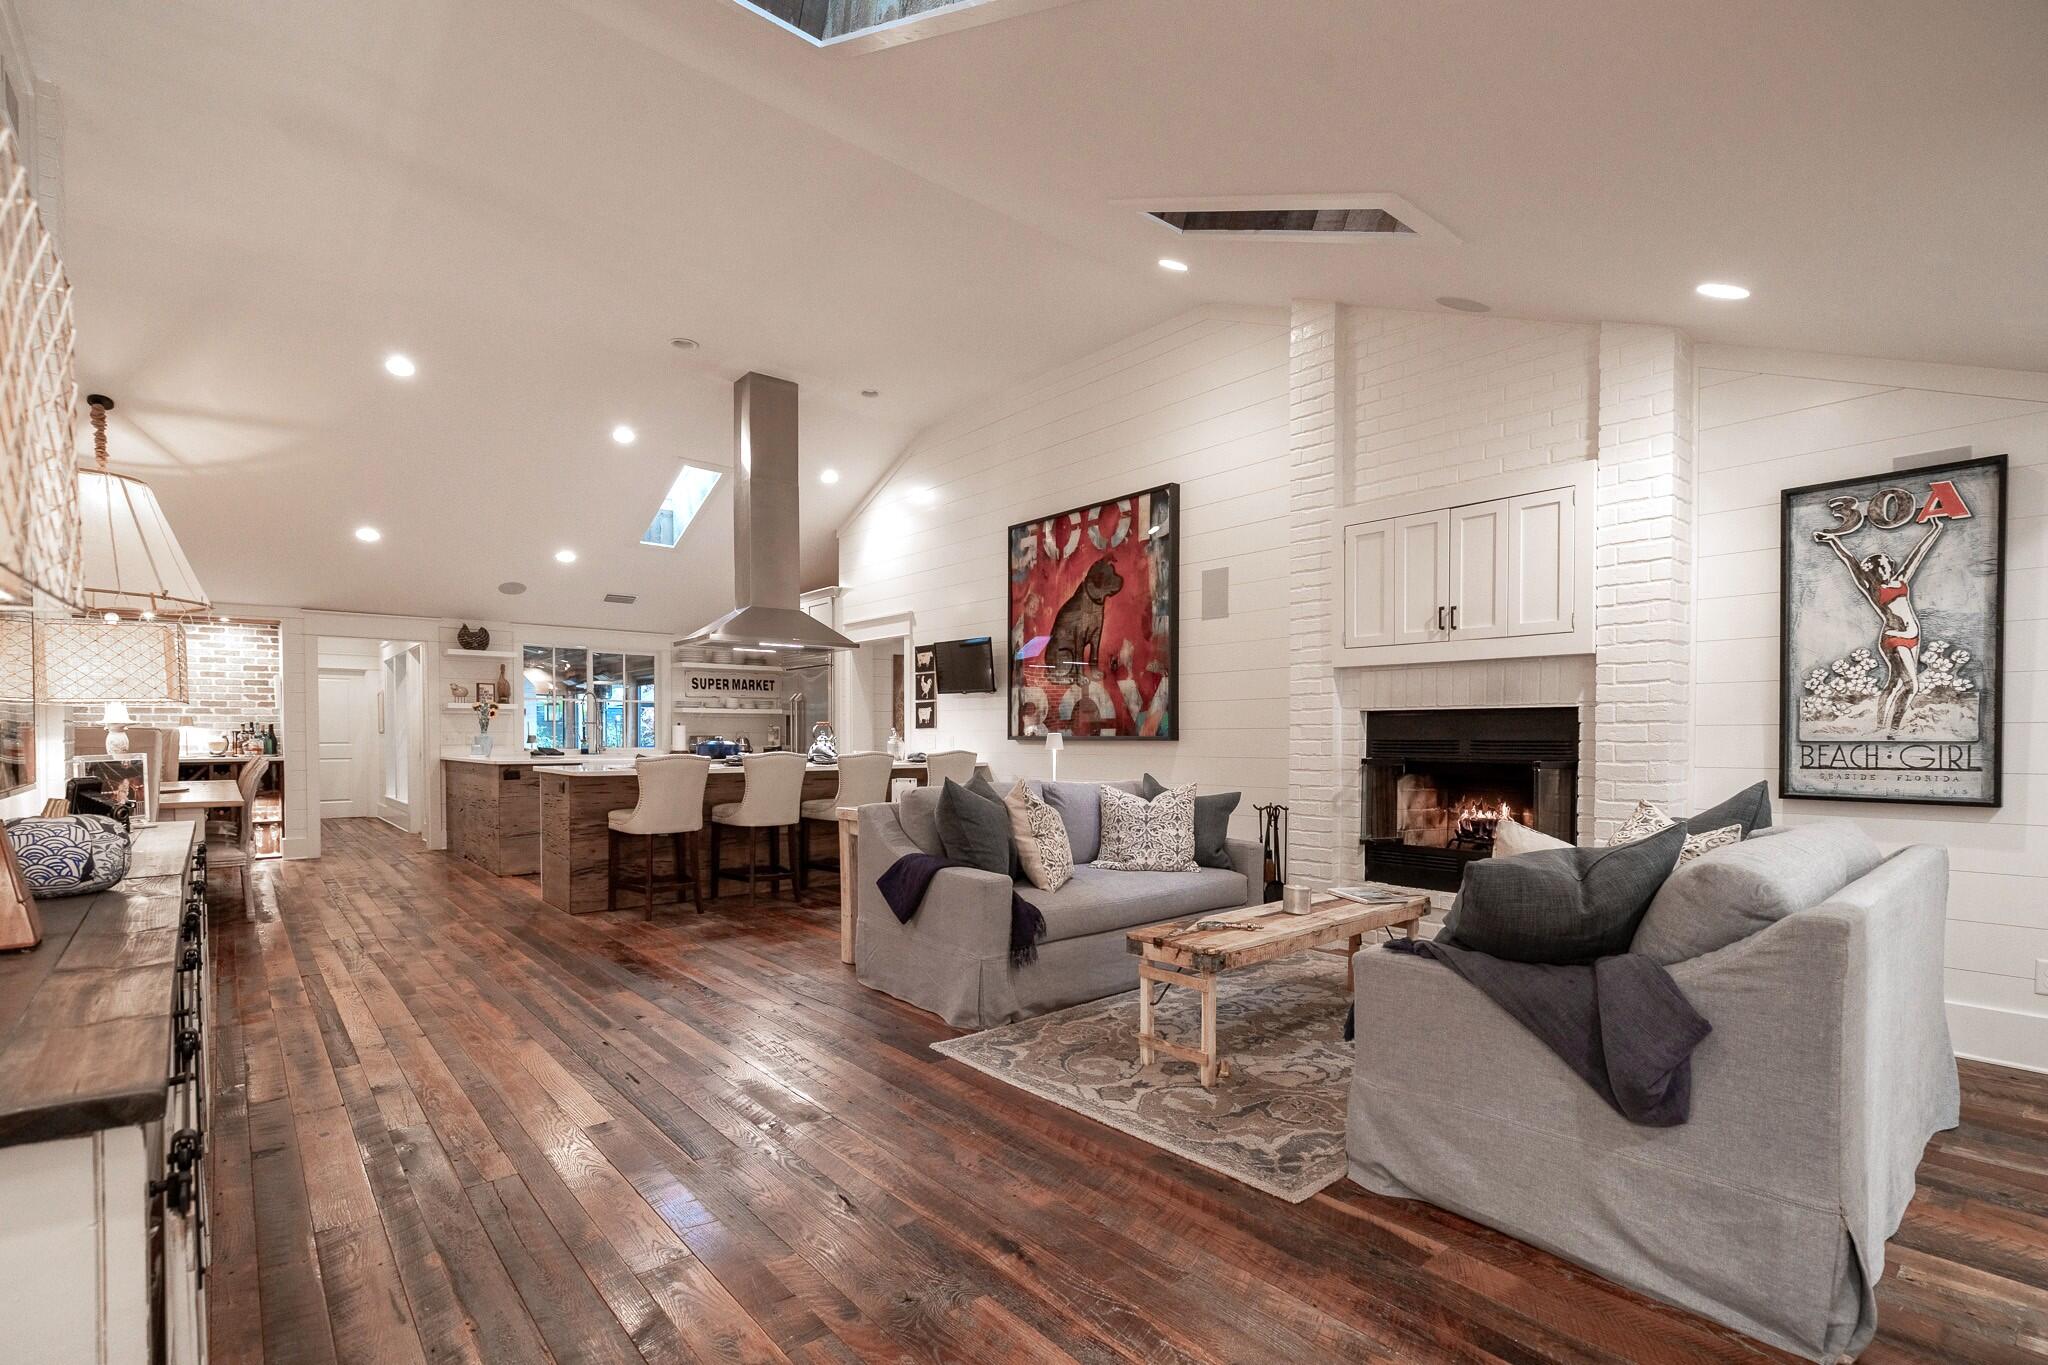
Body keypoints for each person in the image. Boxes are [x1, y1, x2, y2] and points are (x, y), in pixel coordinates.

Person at [1814, 517, 1944, 734]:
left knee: (1895, 683)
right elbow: (1850, 561)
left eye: (1887, 566)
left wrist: (1936, 528)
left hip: (1913, 636)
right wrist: (1833, 541)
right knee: (1912, 685)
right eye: (1880, 567)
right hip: (1894, 638)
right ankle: (1892, 730)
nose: (1886, 569)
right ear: (1873, 571)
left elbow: (1919, 553)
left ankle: (1882, 727)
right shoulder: (1872, 588)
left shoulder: (1900, 580)